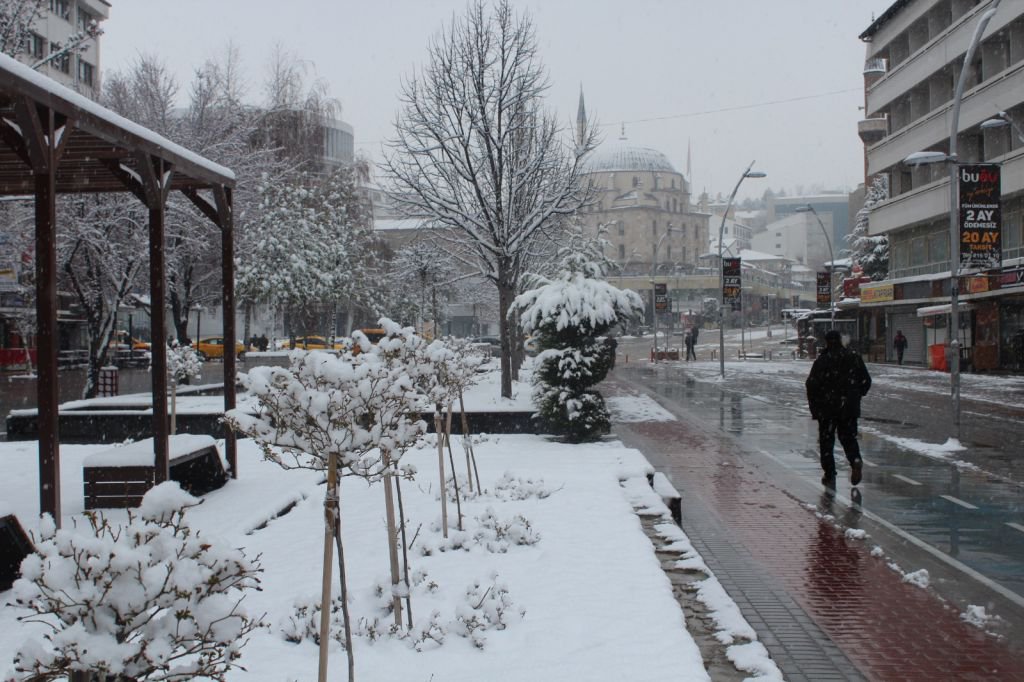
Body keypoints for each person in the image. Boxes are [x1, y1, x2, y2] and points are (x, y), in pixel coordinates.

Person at [805, 330, 872, 488]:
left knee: (826, 442)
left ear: (827, 342)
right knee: (848, 437)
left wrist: (815, 407)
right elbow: (866, 380)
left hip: (827, 409)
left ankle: (829, 474)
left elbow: (811, 385)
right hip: (848, 408)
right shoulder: (853, 358)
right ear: (841, 341)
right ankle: (855, 459)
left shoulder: (822, 361)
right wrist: (856, 395)